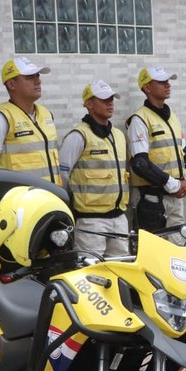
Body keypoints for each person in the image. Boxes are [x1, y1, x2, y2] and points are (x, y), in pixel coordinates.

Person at [59, 80, 130, 258]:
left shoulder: (119, 136)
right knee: (90, 275)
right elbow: (62, 177)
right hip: (91, 223)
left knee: (121, 272)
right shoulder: (78, 136)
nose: (110, 103)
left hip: (119, 219)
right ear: (89, 104)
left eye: (111, 99)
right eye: (104, 99)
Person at [126, 66, 186, 232]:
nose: (167, 85)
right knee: (156, 249)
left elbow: (184, 152)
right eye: (162, 82)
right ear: (147, 87)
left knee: (178, 247)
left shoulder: (172, 117)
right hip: (152, 199)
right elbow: (140, 163)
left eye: (168, 81)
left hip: (176, 196)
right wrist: (170, 183)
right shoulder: (139, 120)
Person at [0, 57, 62, 185]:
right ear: (11, 84)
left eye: (38, 76)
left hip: (51, 199)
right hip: (21, 202)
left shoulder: (46, 115)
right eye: (30, 77)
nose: (38, 81)